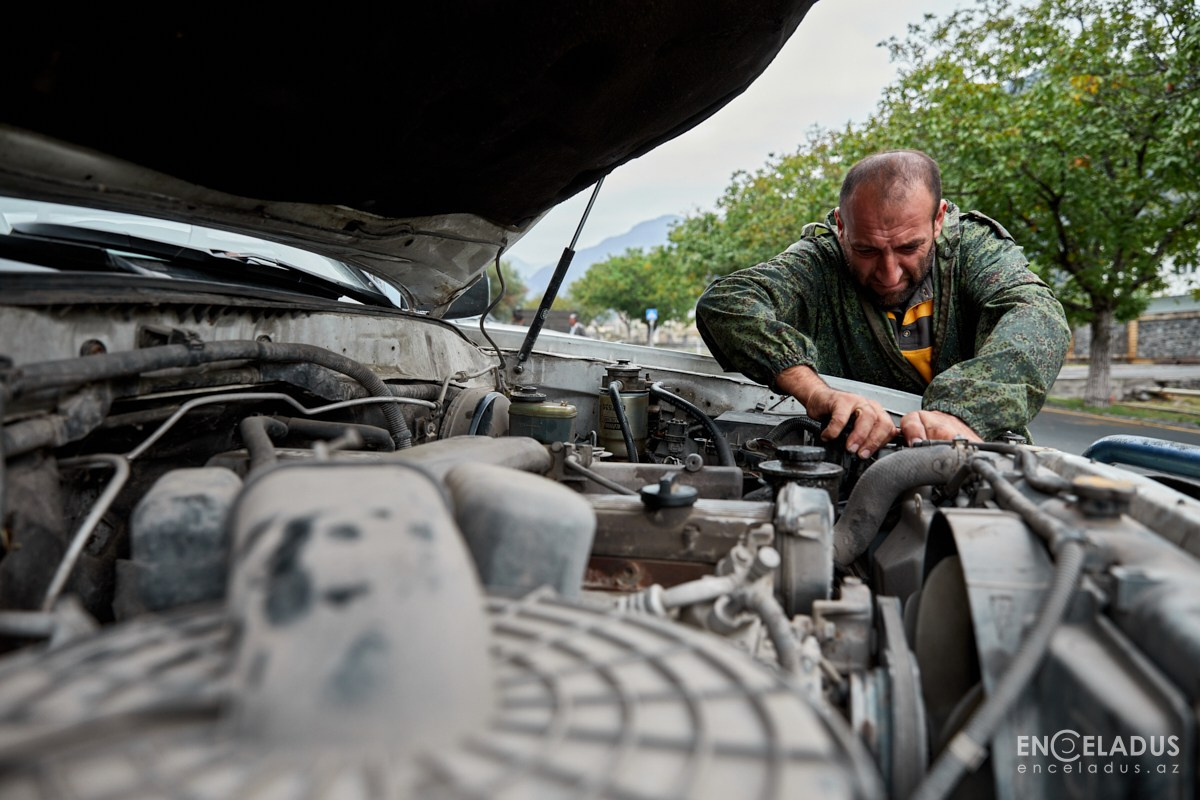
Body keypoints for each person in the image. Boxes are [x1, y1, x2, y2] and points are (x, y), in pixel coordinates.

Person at [695, 149, 1070, 460]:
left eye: (909, 247)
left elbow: (1036, 314)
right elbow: (728, 302)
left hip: (976, 459)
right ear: (842, 227)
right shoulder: (820, 263)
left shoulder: (975, 250)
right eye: (866, 250)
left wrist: (959, 413)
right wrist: (816, 392)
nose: (889, 274)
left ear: (938, 219)